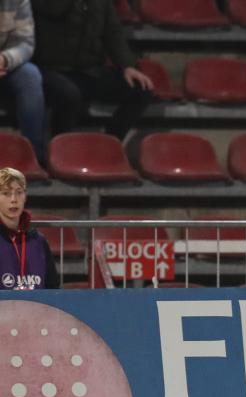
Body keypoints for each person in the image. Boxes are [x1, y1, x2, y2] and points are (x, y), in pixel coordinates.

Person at [31, 0, 154, 139]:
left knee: (141, 90)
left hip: (89, 71)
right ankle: (59, 146)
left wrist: (127, 66)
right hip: (51, 70)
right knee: (69, 94)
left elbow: (113, 32)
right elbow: (53, 9)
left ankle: (109, 143)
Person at [0, 0, 46, 165]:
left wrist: (4, 60)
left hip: (5, 64)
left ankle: (33, 157)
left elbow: (25, 44)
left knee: (30, 75)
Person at [0, 166, 59, 290]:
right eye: (6, 193)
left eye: (19, 192)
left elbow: (53, 287)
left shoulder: (38, 240)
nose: (14, 200)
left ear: (25, 196)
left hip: (36, 303)